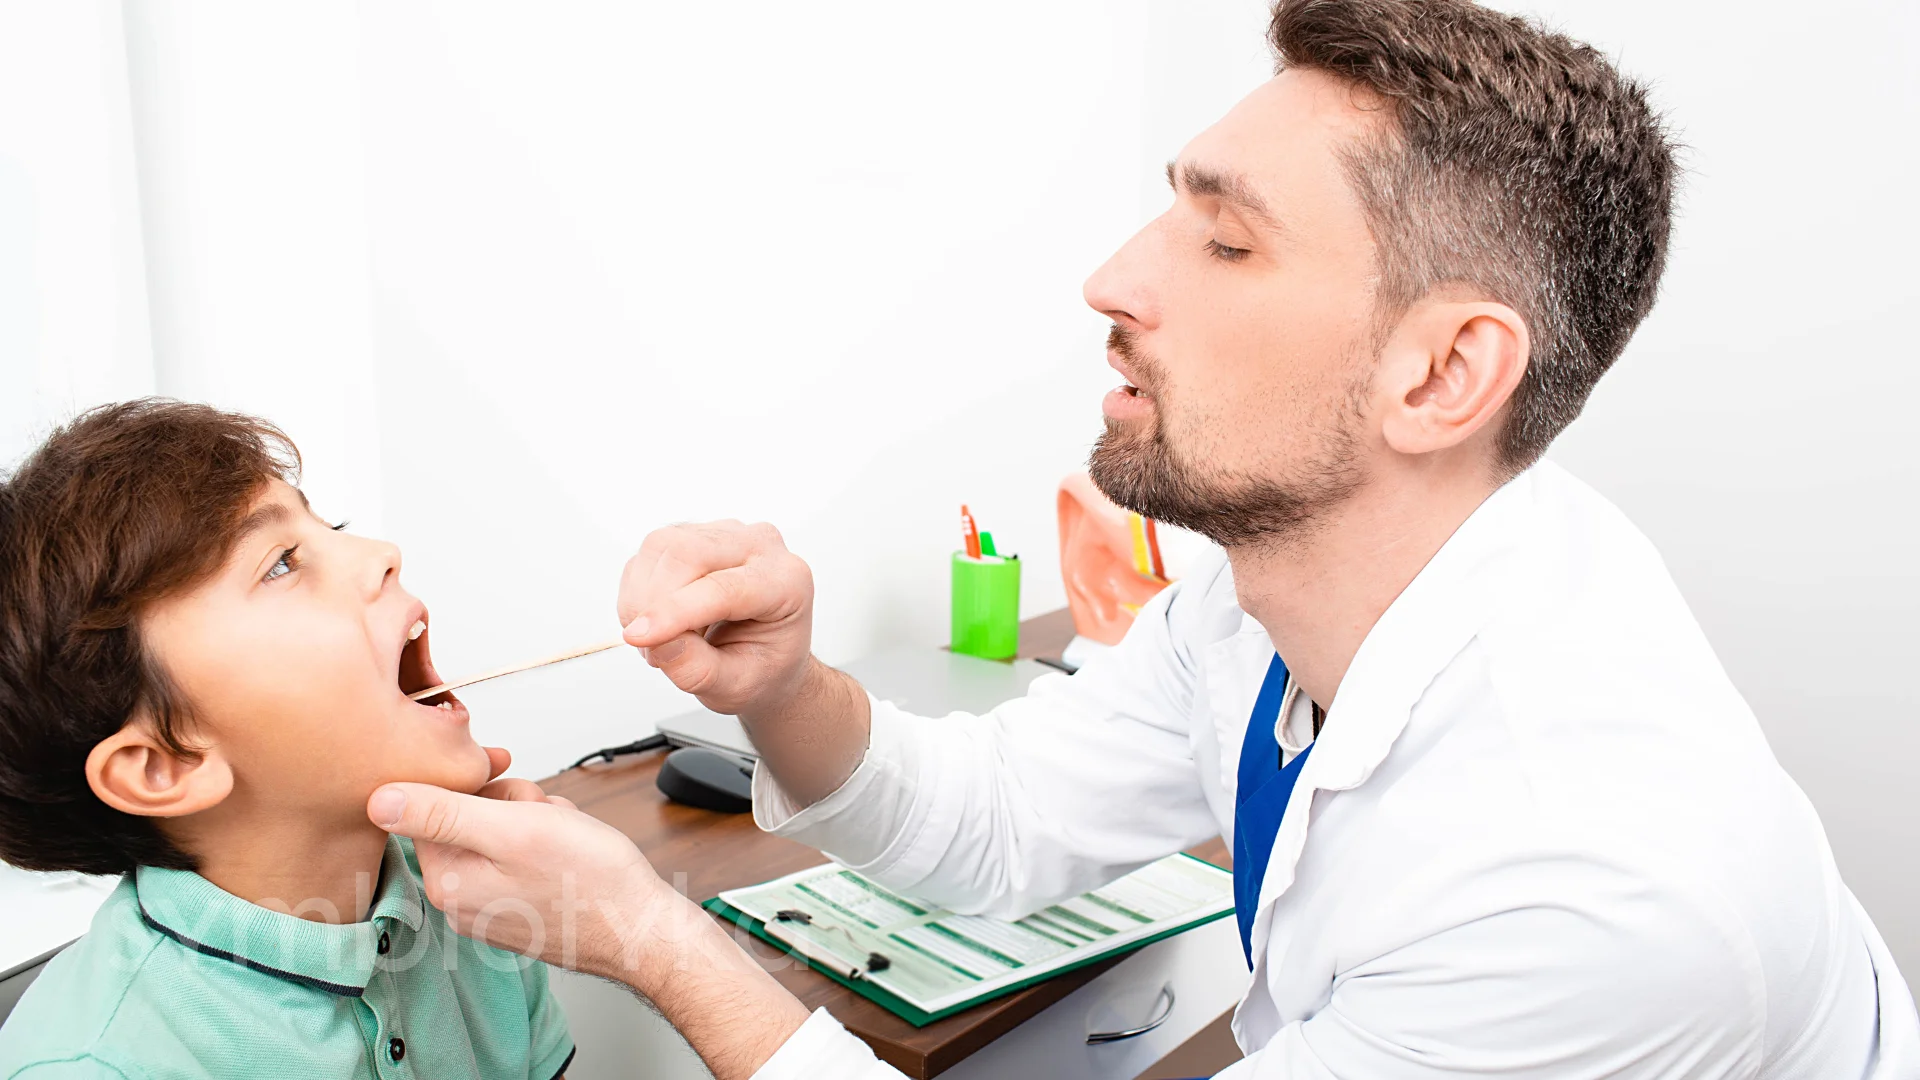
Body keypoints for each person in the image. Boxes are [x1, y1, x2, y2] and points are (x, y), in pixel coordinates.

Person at [364, 0, 1920, 1077]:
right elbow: (994, 825)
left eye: (1227, 239)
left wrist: (647, 938)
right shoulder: (1293, 586)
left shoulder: (1590, 896)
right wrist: (783, 685)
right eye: (1168, 210)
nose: (1115, 274)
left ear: (1443, 375)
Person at [0, 401, 575, 1080]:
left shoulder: (483, 907)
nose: (382, 555)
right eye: (280, 564)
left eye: (332, 526)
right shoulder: (96, 1068)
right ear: (163, 766)